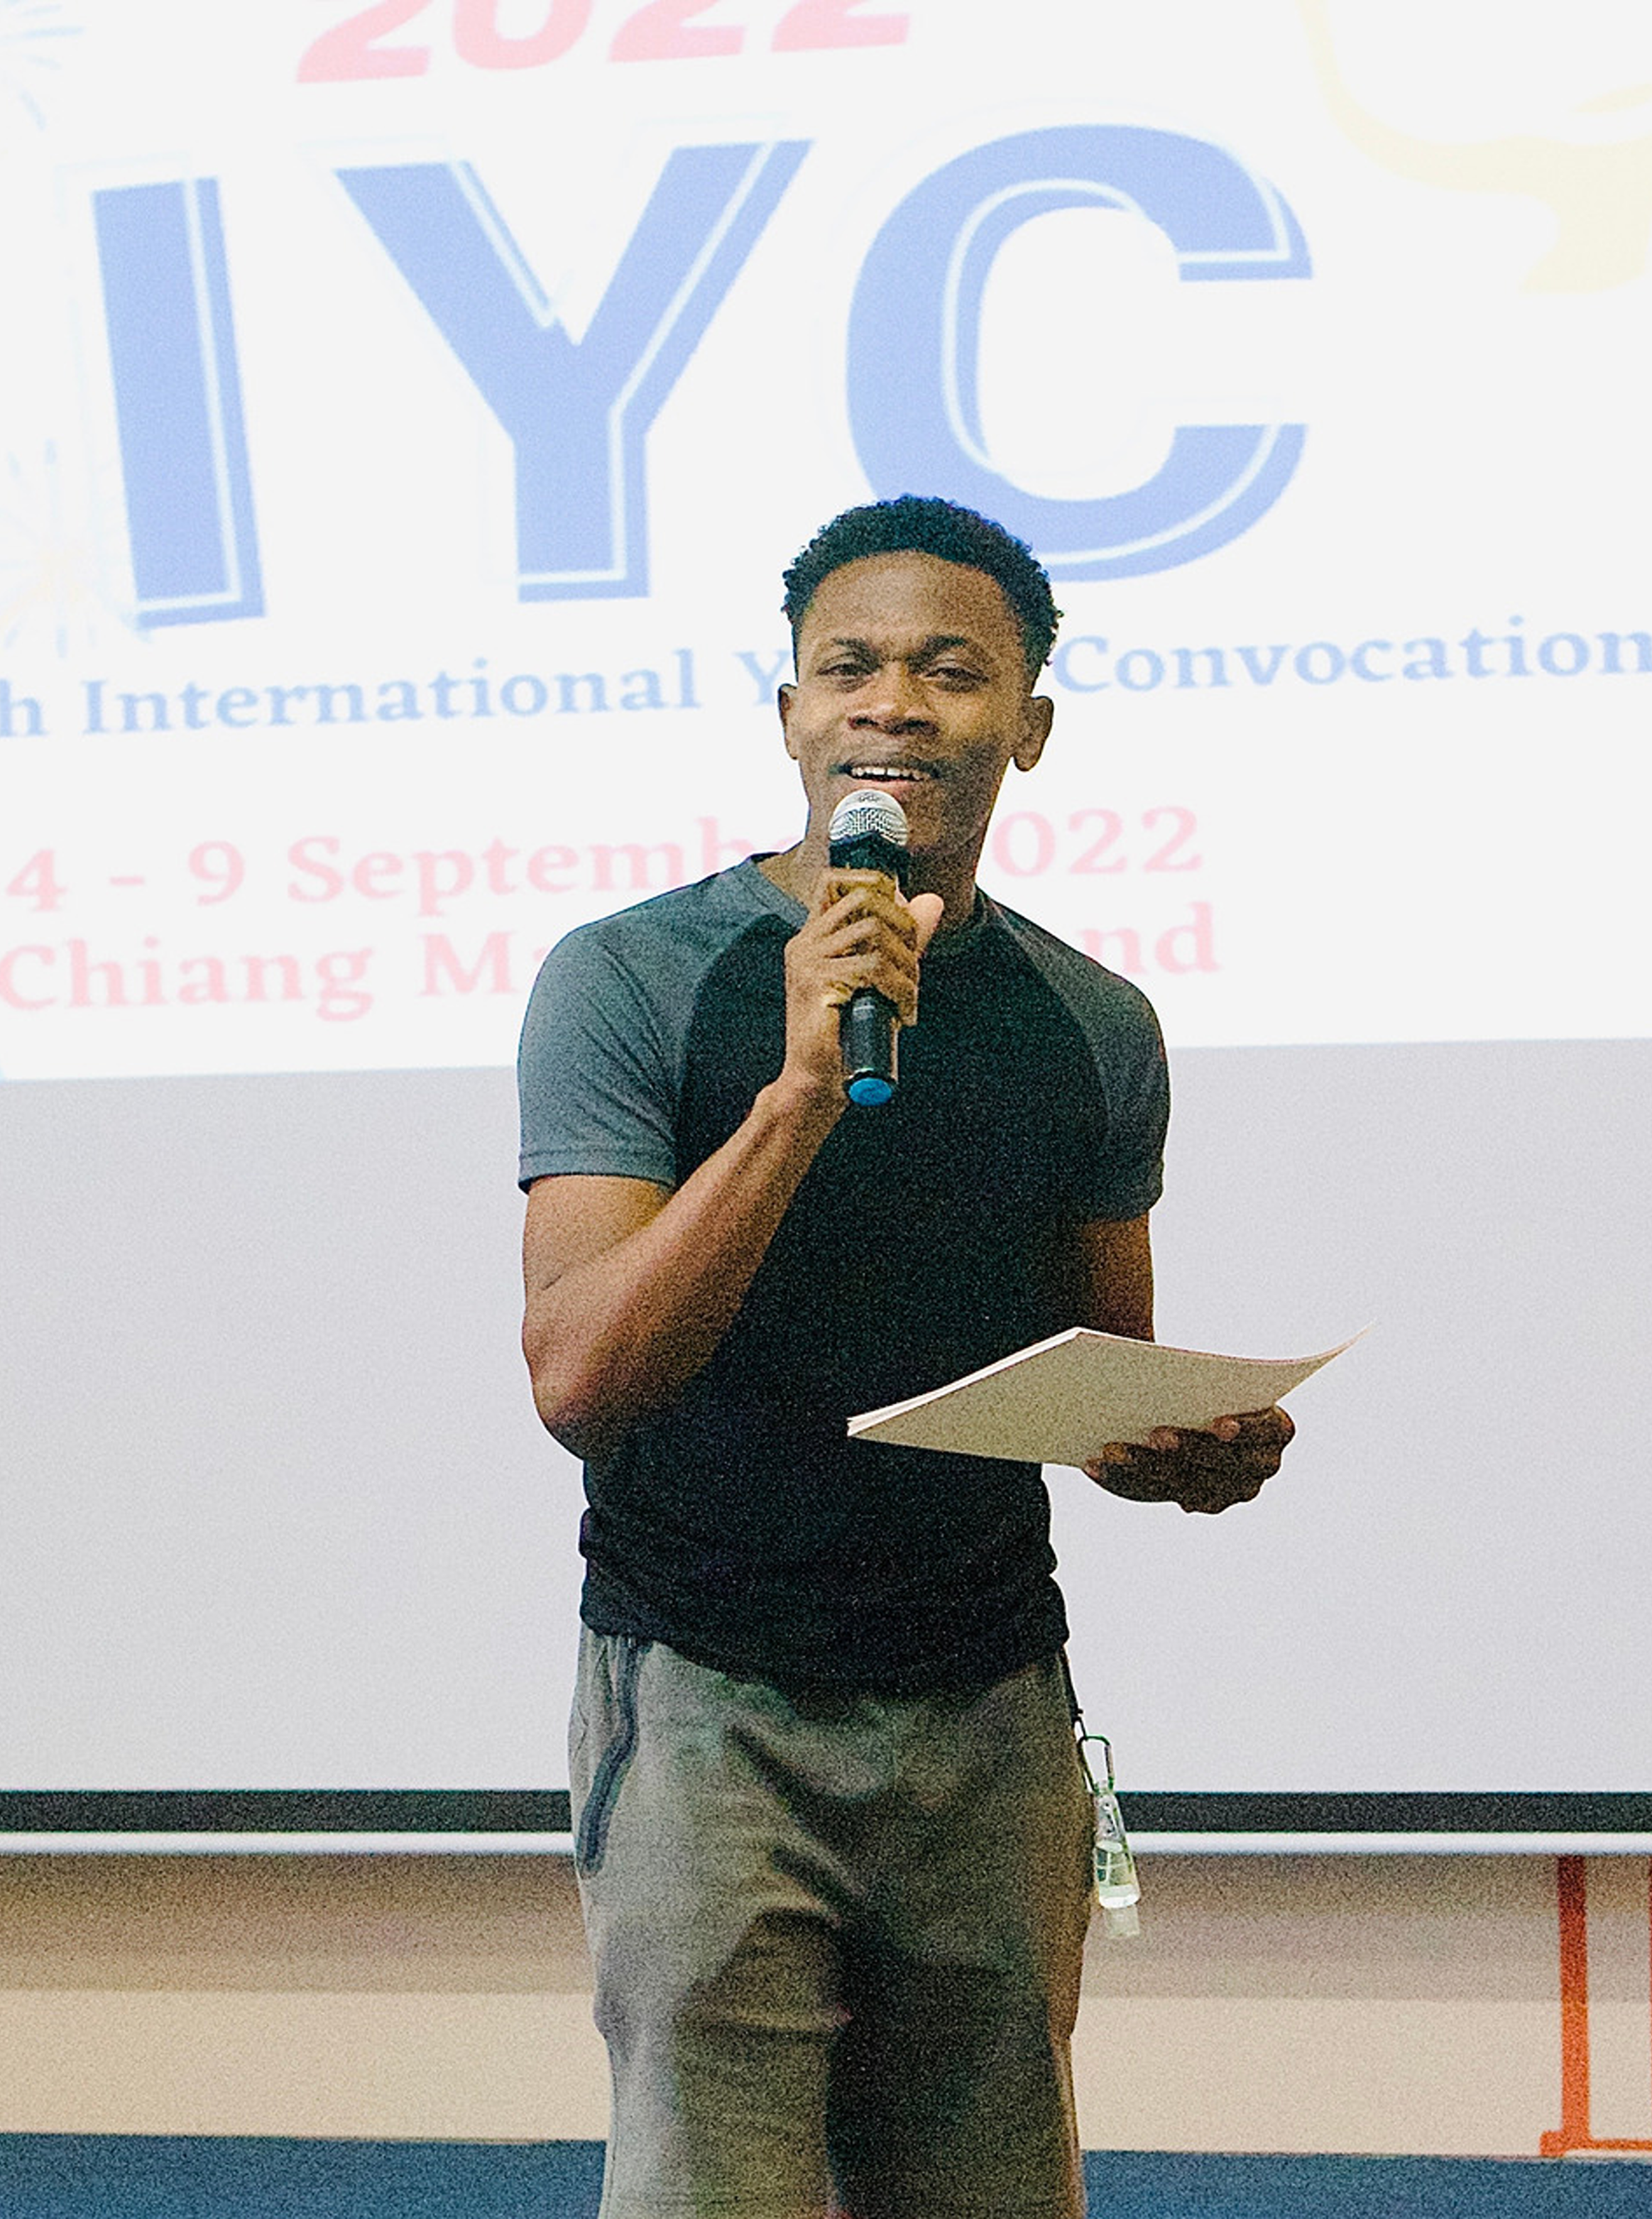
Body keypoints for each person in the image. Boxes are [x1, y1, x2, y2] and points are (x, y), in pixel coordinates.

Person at [518, 495, 1293, 2219]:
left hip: (989, 1708)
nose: (889, 705)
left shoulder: (1090, 1023)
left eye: (949, 671)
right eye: (844, 669)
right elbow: (579, 1379)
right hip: (708, 1697)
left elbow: (1098, 1369)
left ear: (1025, 724)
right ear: (789, 714)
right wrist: (798, 1093)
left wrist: (1177, 1445)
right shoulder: (633, 980)